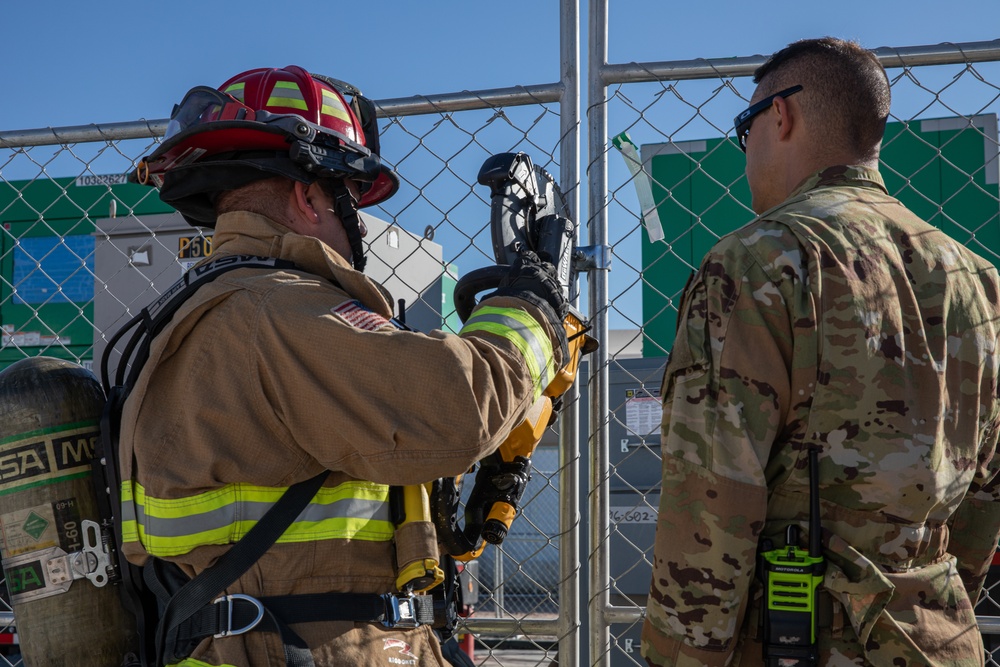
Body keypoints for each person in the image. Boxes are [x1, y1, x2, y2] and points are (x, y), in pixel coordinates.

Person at [121, 65, 571, 667]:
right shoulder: (279, 310)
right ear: (310, 196)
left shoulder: (200, 315)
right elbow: (460, 404)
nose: (355, 222)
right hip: (309, 648)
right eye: (351, 201)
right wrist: (533, 305)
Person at [641, 37, 1000, 667]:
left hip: (796, 639)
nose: (744, 151)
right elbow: (984, 498)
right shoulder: (978, 278)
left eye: (743, 127)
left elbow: (711, 500)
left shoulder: (756, 262)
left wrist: (681, 658)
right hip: (939, 639)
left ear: (780, 116)